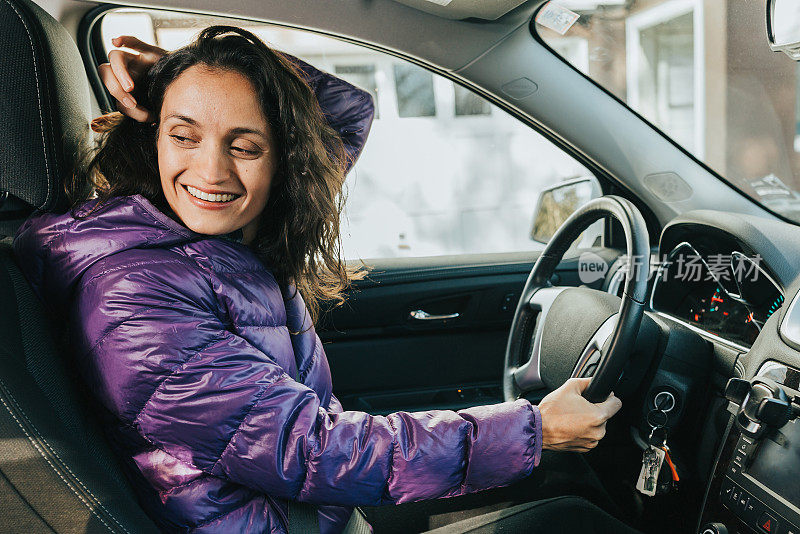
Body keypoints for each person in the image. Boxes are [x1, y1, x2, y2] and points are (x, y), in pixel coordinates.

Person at [12, 26, 624, 533]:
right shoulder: (133, 295)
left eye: (245, 145)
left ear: (285, 155)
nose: (211, 169)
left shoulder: (199, 240)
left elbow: (343, 113)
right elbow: (312, 449)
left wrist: (182, 71)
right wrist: (533, 430)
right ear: (155, 138)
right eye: (184, 134)